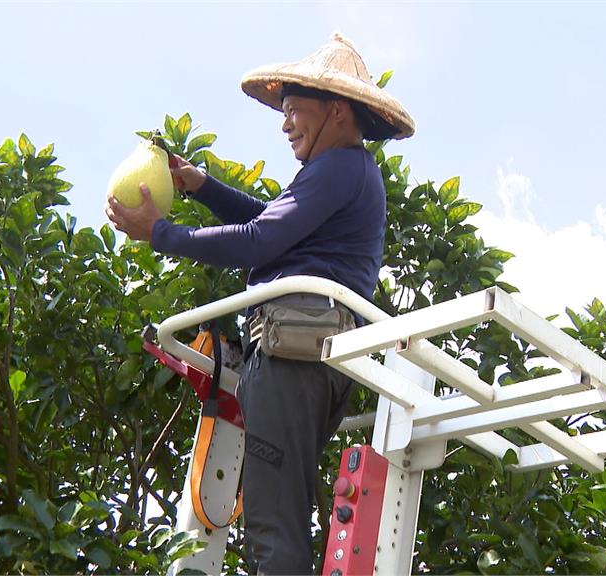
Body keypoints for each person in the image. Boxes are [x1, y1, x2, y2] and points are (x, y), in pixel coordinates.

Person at [107, 33, 414, 575]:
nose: (285, 123)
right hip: (311, 352)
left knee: (273, 523)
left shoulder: (342, 167)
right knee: (277, 513)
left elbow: (256, 240)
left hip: (296, 351)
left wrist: (162, 234)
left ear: (337, 111)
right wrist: (201, 187)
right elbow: (268, 218)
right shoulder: (342, 172)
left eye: (295, 110)